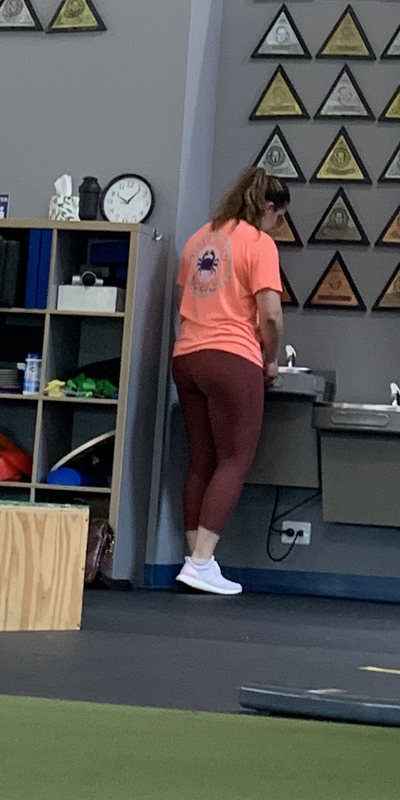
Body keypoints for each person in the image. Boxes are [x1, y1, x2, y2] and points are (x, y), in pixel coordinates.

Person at [169, 166, 288, 597]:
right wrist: (270, 359)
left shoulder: (201, 237)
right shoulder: (260, 243)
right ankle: (202, 563)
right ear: (268, 208)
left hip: (186, 356)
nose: (278, 225)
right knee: (234, 461)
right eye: (279, 216)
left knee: (201, 461)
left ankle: (194, 560)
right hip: (232, 356)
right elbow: (270, 314)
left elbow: (185, 300)